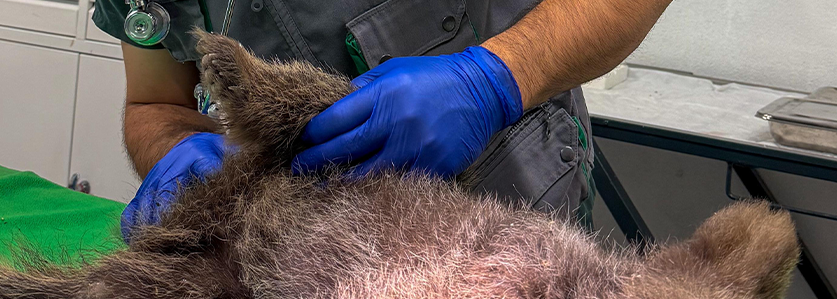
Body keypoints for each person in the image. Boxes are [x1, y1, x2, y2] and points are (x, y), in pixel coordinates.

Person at [92, 0, 675, 236]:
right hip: (286, 247)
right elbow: (155, 103)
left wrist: (496, 78)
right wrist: (172, 151)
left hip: (502, 214)